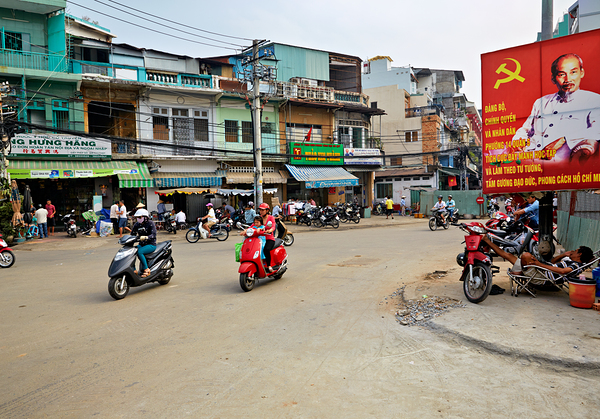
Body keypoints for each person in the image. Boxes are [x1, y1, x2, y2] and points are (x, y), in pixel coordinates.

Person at [512, 53, 600, 163]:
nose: (568, 79)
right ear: (553, 78)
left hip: (558, 163)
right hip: (529, 157)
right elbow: (525, 130)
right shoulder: (541, 102)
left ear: (581, 73)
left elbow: (597, 130)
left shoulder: (593, 100)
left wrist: (563, 139)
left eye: (573, 72)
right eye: (562, 74)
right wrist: (518, 140)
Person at [482, 235, 593, 282]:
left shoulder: (576, 265)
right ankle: (487, 240)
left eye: (576, 251)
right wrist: (563, 255)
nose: (573, 251)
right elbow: (552, 262)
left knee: (525, 255)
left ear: (579, 255)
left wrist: (539, 265)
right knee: (509, 256)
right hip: (541, 269)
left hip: (542, 275)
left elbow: (564, 271)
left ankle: (520, 271)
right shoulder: (569, 260)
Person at [130, 209, 157, 278]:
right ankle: (133, 269)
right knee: (132, 251)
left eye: (140, 217)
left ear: (145, 217)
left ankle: (146, 269)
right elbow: (132, 234)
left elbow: (154, 234)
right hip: (142, 244)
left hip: (151, 244)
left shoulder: (150, 223)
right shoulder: (137, 224)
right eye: (137, 218)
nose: (138, 219)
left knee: (140, 252)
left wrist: (147, 237)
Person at [258, 203, 276, 272]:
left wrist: (270, 230)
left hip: (269, 238)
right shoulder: (259, 218)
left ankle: (269, 265)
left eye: (263, 210)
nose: (261, 211)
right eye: (260, 210)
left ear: (267, 211)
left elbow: (273, 226)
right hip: (260, 238)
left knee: (266, 249)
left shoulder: (271, 218)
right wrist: (246, 230)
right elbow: (253, 224)